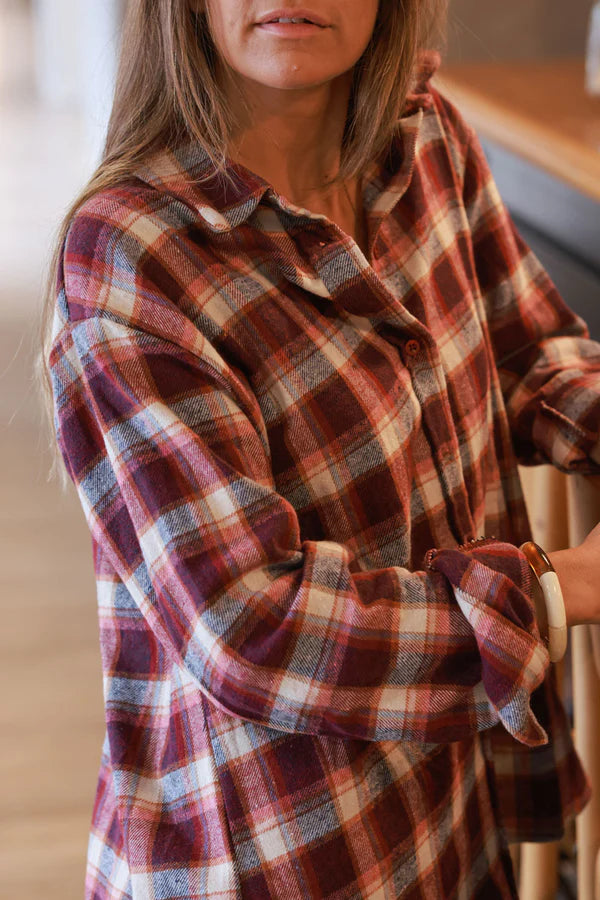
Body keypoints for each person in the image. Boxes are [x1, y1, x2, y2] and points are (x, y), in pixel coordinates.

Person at [40, 0, 600, 897]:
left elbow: (532, 349)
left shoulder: (426, 141)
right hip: (286, 853)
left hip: (455, 802)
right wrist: (556, 589)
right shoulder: (132, 257)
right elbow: (250, 628)